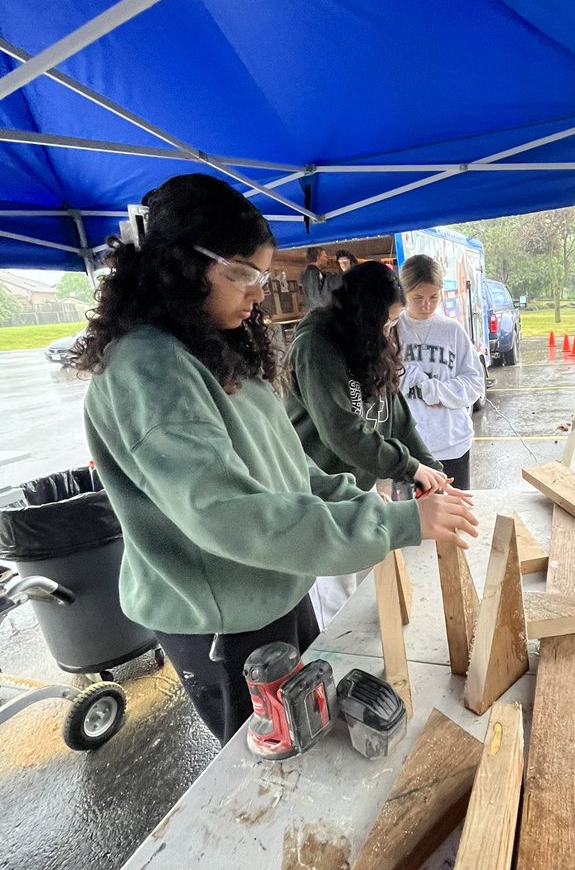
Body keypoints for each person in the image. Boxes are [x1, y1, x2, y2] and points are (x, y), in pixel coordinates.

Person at [74, 174, 476, 745]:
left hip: (275, 588)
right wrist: (396, 522)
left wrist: (378, 501)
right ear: (180, 266)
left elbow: (296, 470)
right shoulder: (150, 371)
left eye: (262, 276)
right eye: (243, 274)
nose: (260, 293)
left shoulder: (214, 346)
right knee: (270, 768)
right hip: (224, 619)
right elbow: (231, 514)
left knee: (312, 732)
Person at [284, 261, 452, 625]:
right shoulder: (316, 347)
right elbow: (341, 432)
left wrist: (432, 473)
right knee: (339, 603)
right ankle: (342, 672)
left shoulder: (372, 343)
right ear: (364, 315)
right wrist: (408, 467)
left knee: (372, 587)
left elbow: (399, 420)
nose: (390, 331)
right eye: (387, 322)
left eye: (394, 322)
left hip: (359, 491)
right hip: (322, 497)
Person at [398, 254, 485, 490]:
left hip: (451, 443)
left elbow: (475, 382)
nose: (426, 305)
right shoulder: (393, 329)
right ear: (403, 293)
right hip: (407, 450)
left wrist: (439, 391)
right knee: (413, 521)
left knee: (456, 516)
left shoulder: (452, 330)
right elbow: (377, 379)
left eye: (433, 297)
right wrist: (408, 377)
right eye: (417, 298)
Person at [301, 246, 329, 310]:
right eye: (325, 257)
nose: (327, 259)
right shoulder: (312, 272)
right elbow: (314, 296)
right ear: (318, 257)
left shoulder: (312, 272)